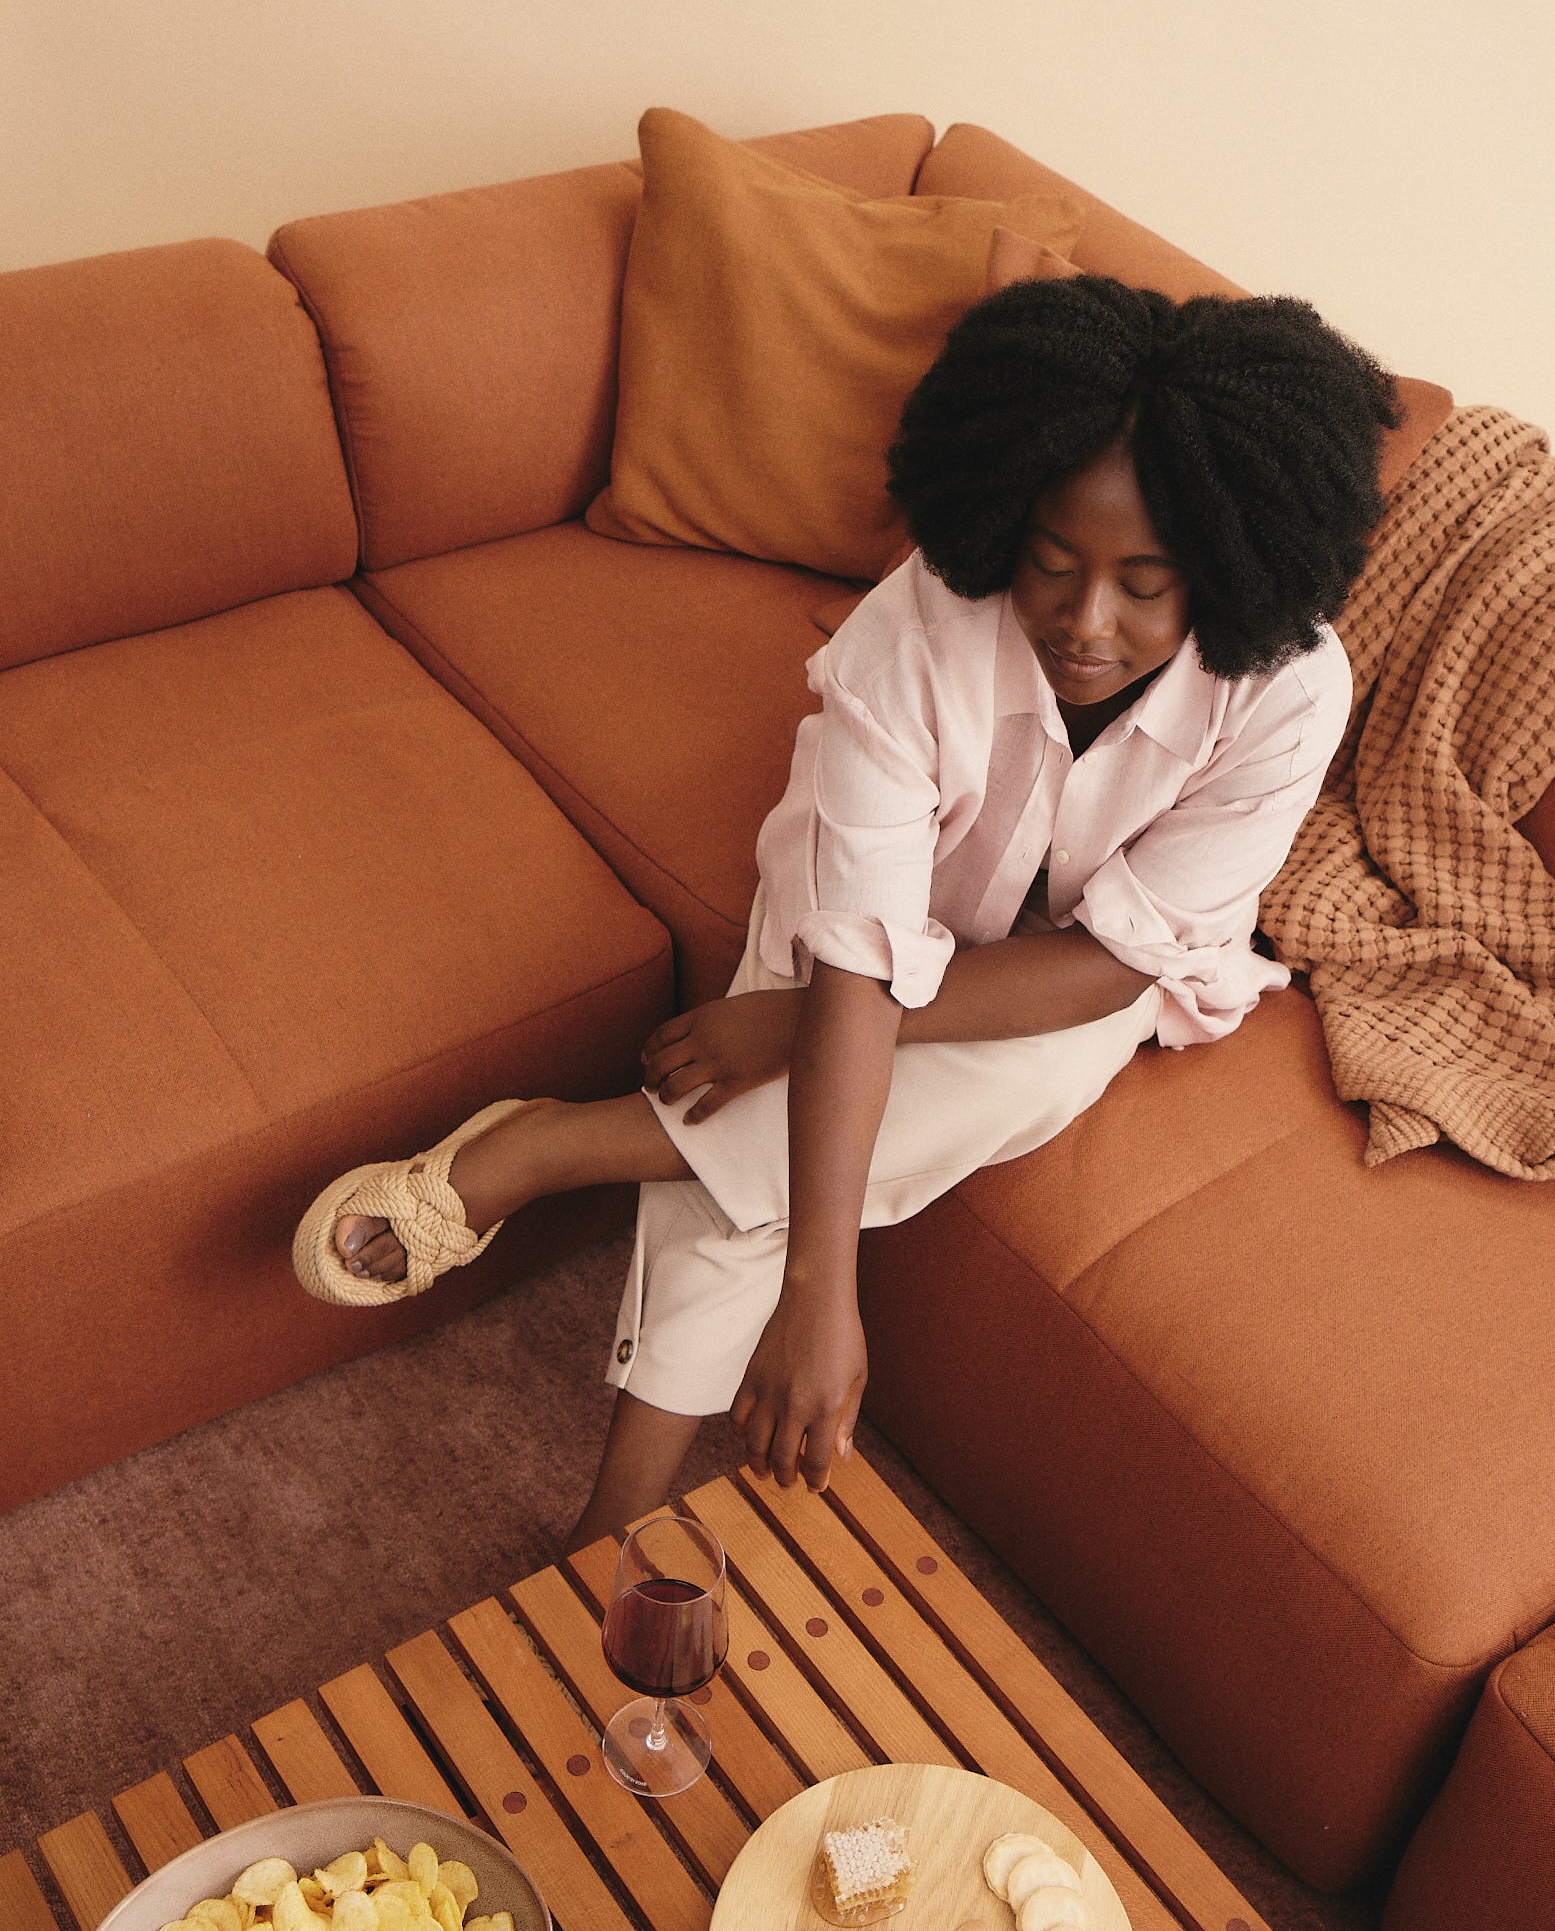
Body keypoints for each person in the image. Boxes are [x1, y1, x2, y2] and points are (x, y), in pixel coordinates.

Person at [293, 274, 1398, 1547]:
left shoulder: (1290, 687)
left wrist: (786, 1031)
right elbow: (863, 950)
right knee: (790, 1126)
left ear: (1228, 566)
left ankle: (562, 1147)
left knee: (1035, 1067)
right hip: (871, 905)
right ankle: (613, 1531)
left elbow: (1110, 962)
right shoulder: (913, 634)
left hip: (1082, 963)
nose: (1087, 624)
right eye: (1051, 565)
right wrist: (822, 1287)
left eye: (1147, 585)